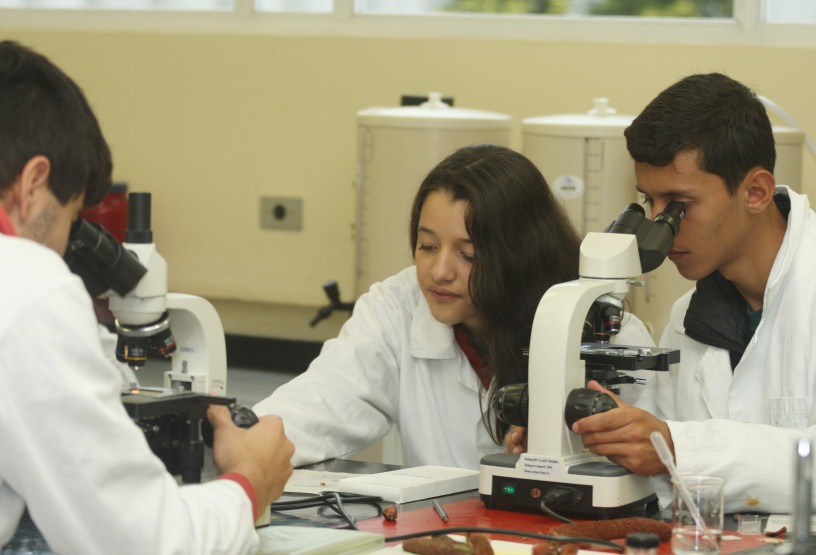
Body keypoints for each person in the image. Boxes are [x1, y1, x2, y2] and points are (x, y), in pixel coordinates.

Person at [0, 40, 294, 554]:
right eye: (71, 220)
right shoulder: (26, 285)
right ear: (33, 183)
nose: (65, 247)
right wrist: (251, 479)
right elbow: (145, 543)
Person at [568, 72, 816, 513]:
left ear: (756, 192)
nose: (661, 227)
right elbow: (663, 473)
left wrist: (678, 447)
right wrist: (588, 440)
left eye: (680, 206)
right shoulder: (688, 316)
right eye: (650, 203)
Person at [254, 144, 655, 469]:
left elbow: (654, 473)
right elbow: (323, 401)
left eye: (469, 255)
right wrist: (243, 439)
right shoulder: (398, 305)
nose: (439, 271)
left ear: (519, 256)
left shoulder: (607, 333)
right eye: (427, 246)